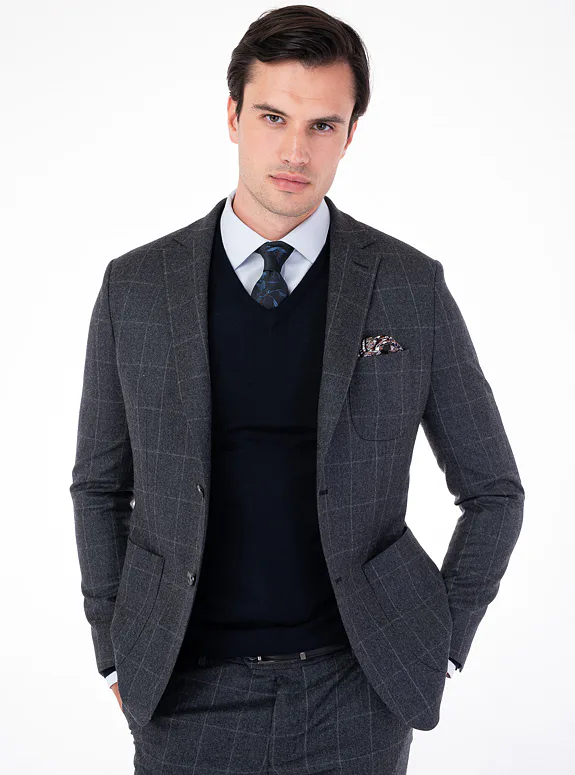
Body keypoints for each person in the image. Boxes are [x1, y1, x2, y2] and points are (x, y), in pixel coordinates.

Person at [70, 5, 525, 773]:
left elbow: (492, 491)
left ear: (349, 135)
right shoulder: (136, 286)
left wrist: (438, 644)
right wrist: (115, 649)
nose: (294, 150)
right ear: (232, 115)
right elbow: (99, 486)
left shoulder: (407, 286)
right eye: (273, 116)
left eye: (322, 125)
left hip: (358, 691)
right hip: (183, 692)